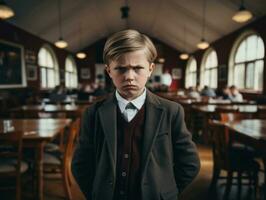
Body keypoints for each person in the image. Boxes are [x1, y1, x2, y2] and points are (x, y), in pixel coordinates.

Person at [71, 29, 200, 200]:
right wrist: (96, 192)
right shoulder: (93, 113)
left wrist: (167, 192)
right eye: (120, 69)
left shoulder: (171, 111)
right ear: (109, 71)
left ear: (150, 69)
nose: (129, 77)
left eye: (138, 68)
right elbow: (81, 164)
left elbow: (190, 163)